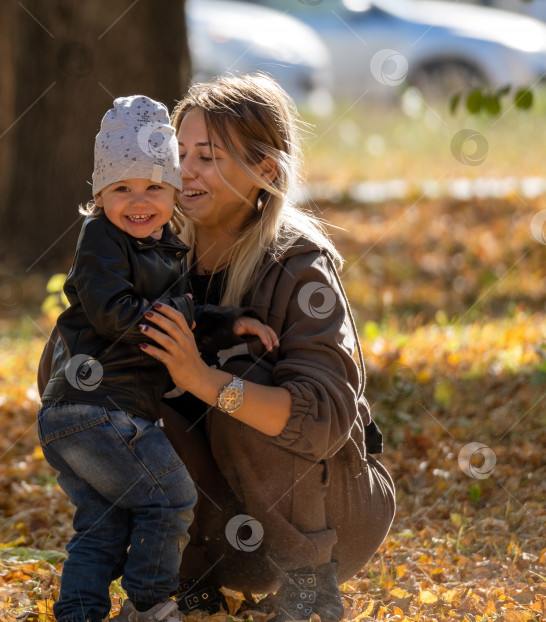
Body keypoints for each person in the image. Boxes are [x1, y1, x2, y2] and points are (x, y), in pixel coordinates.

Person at [136, 74, 396, 622]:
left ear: (265, 172)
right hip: (225, 535)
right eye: (177, 152)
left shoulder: (300, 267)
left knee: (241, 393)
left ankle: (312, 590)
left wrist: (204, 380)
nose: (185, 171)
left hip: (329, 518)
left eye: (207, 157)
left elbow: (323, 417)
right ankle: (184, 577)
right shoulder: (151, 246)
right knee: (114, 399)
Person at [38, 95, 278, 622]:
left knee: (104, 524)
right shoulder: (102, 238)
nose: (138, 200)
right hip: (98, 408)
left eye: (153, 186)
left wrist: (225, 321)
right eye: (122, 188)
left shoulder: (163, 247)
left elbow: (182, 314)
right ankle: (152, 606)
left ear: (174, 191)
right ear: (100, 194)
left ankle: (78, 613)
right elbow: (111, 311)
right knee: (170, 498)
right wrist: (171, 333)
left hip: (85, 414)